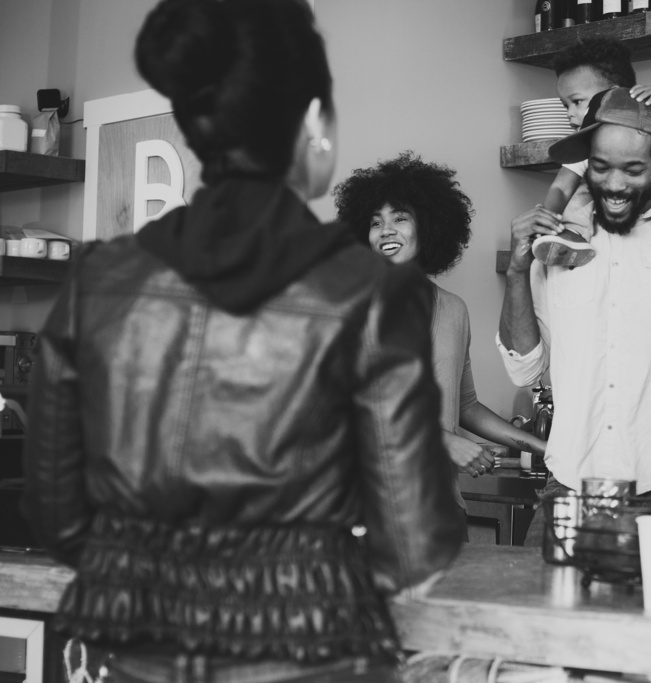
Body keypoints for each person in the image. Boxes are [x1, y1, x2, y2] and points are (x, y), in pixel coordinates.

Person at [21, 2, 464, 682]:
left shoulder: (97, 281)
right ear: (314, 124)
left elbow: (54, 514)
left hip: (138, 658)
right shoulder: (370, 292)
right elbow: (411, 543)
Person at [497, 86, 651, 544]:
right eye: (600, 167)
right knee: (540, 615)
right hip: (568, 492)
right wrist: (518, 271)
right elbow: (524, 369)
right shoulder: (559, 245)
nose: (614, 184)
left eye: (633, 169)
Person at [333, 152, 548, 515]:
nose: (385, 230)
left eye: (400, 218)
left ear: (429, 226)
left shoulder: (452, 309)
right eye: (375, 222)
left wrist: (539, 446)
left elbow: (464, 406)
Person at [532, 38, 651, 269]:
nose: (570, 114)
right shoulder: (587, 145)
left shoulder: (648, 122)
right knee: (581, 195)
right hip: (613, 213)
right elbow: (561, 187)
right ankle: (574, 237)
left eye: (577, 102)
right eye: (565, 105)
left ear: (615, 95)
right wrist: (549, 220)